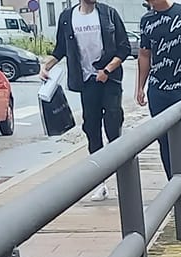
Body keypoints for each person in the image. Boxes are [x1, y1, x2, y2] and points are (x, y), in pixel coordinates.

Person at [41, 0, 131, 197]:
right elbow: (60, 49)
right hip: (87, 81)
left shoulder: (109, 14)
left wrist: (107, 69)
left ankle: (123, 176)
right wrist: (46, 66)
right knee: (91, 128)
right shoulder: (67, 18)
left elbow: (123, 48)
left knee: (113, 123)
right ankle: (100, 182)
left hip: (110, 78)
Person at [134, 0, 181, 179]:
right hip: (158, 89)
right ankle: (174, 185)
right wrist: (140, 87)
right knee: (164, 140)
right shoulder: (147, 21)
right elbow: (144, 55)